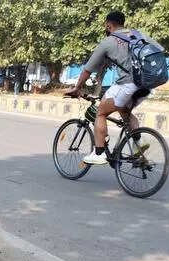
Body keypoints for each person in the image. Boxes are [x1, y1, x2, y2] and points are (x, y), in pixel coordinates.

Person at [65, 11, 162, 164]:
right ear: (123, 23)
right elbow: (159, 50)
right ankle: (139, 143)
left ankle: (99, 153)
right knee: (124, 111)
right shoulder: (139, 35)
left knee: (101, 113)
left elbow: (87, 70)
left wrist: (77, 88)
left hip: (128, 84)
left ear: (108, 25)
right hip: (147, 85)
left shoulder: (108, 42)